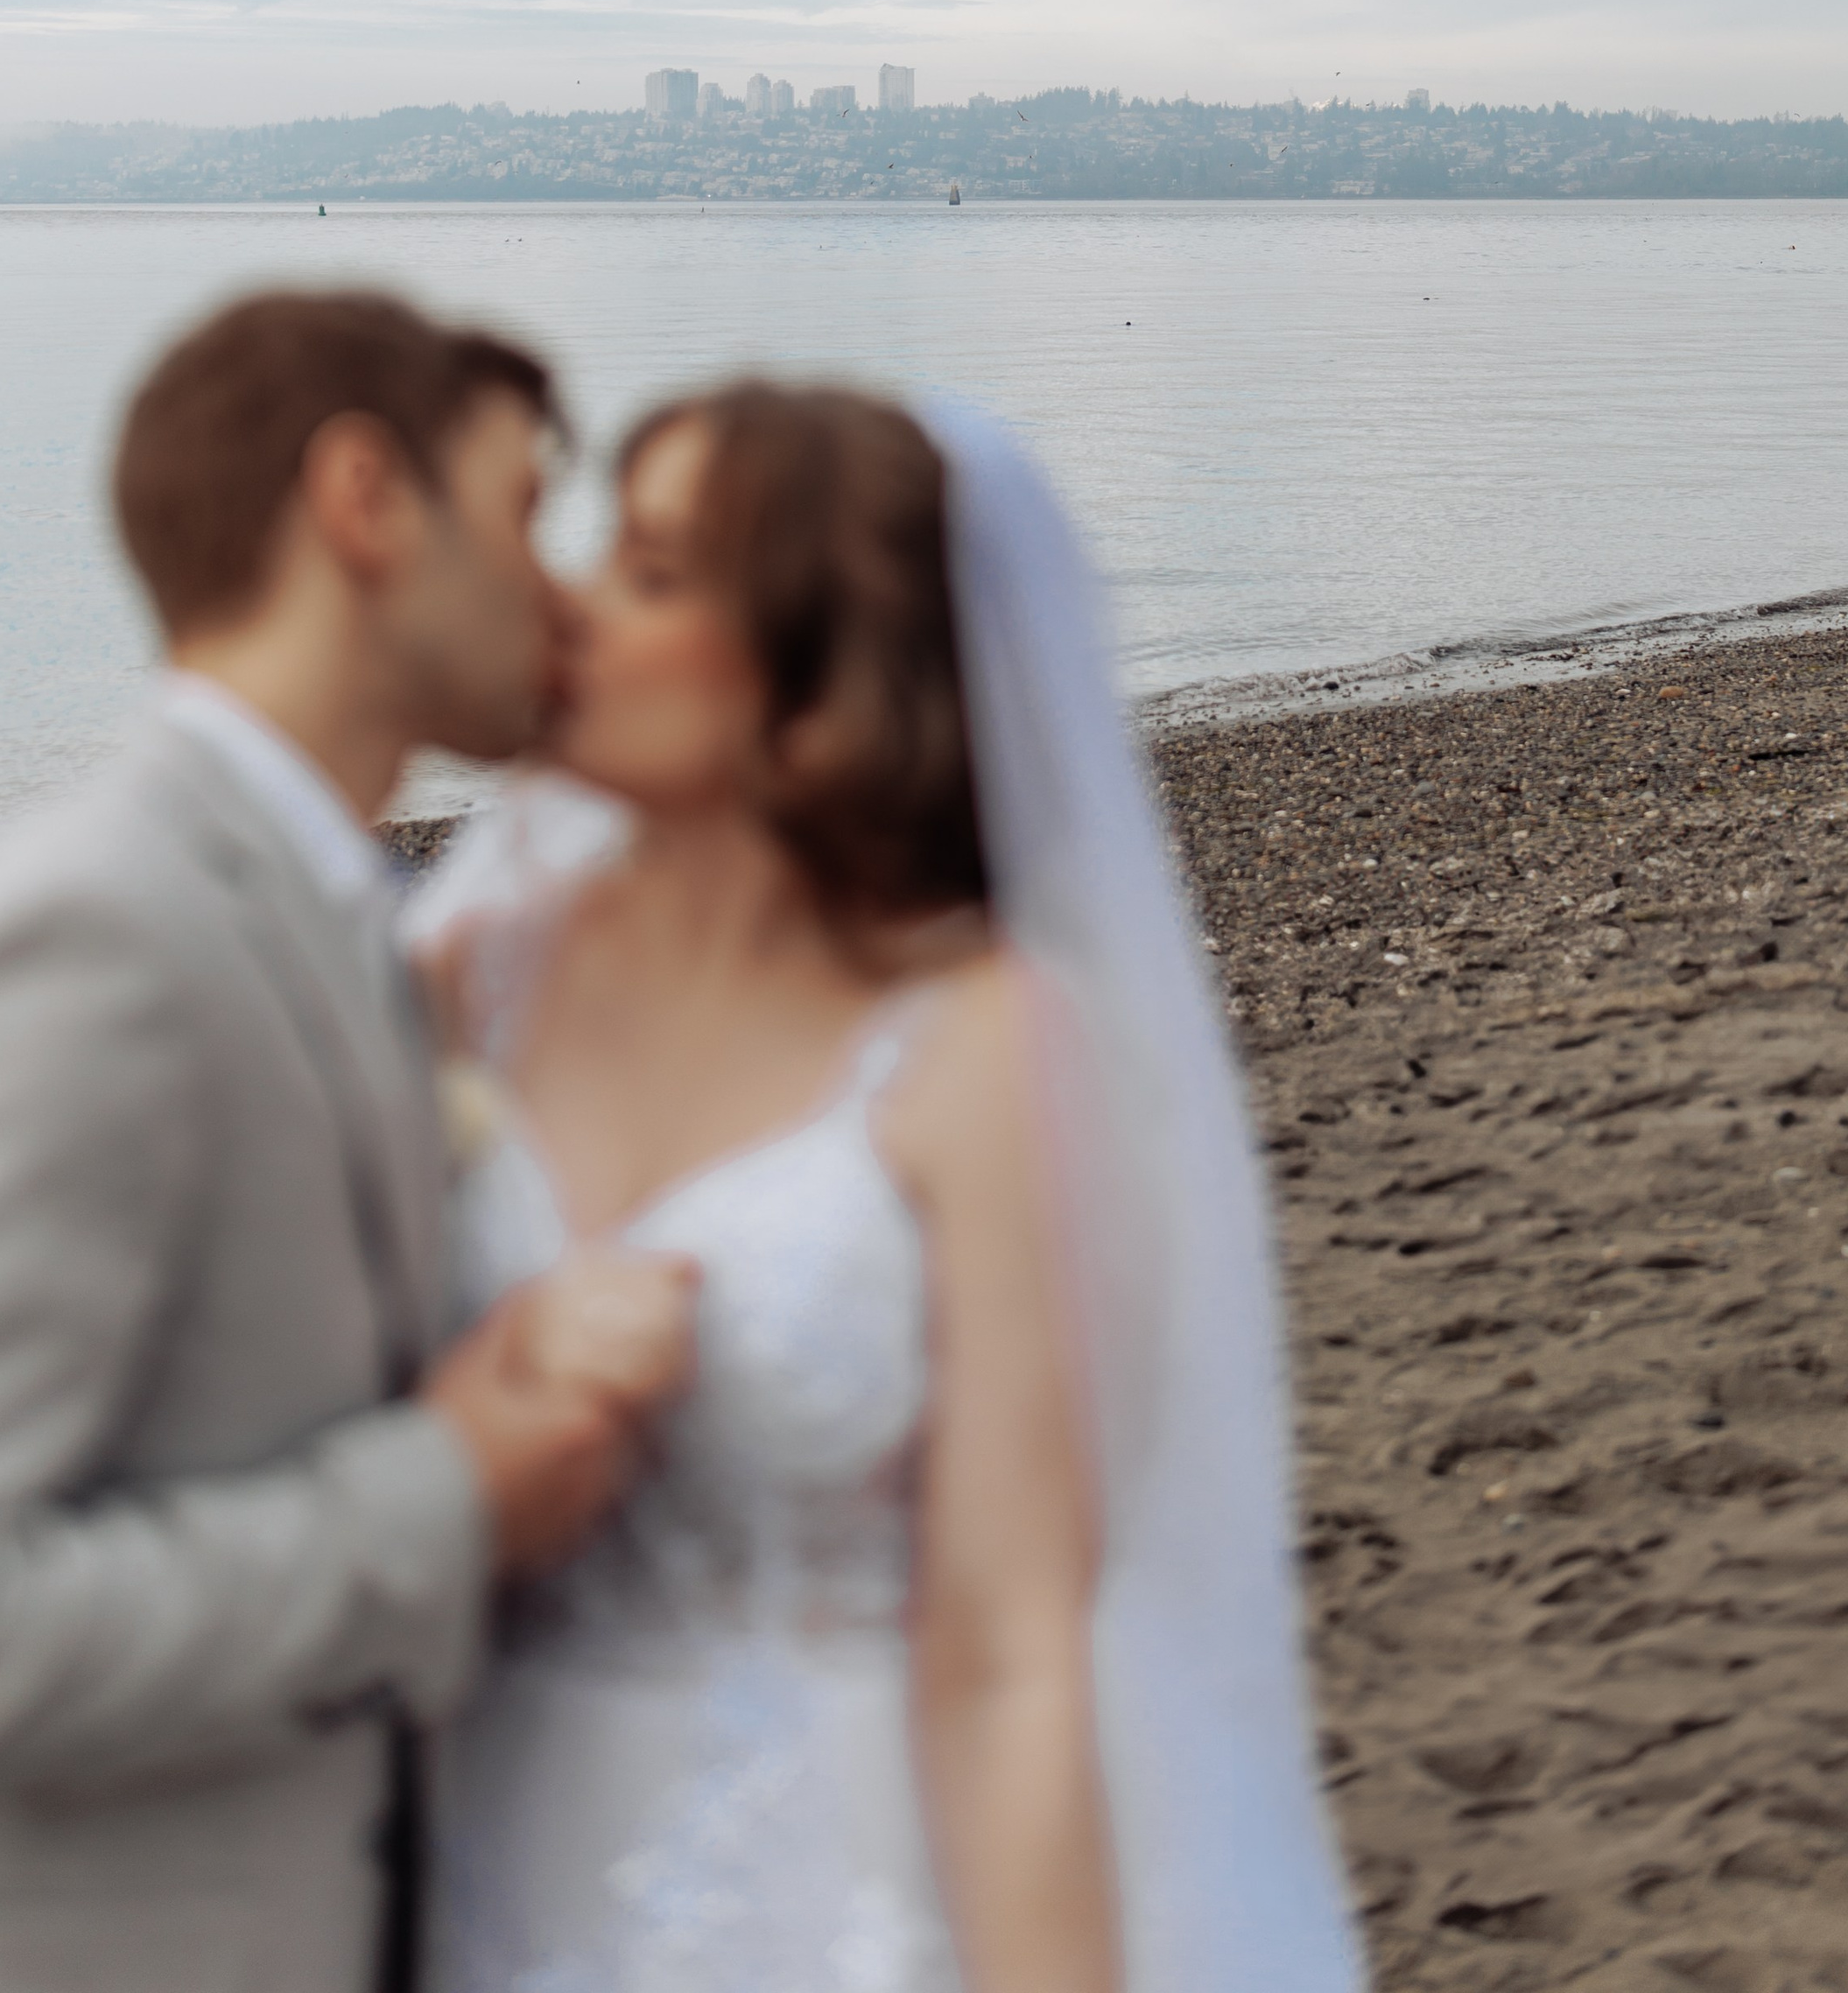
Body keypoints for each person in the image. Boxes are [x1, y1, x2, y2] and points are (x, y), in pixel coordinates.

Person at [0, 289, 697, 1993]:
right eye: (520, 511)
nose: (557, 592)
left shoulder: (338, 925)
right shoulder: (91, 936)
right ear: (365, 501)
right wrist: (449, 1499)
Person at [416, 380, 1365, 1993]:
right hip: (470, 1877)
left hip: (823, 1907)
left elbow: (1010, 1651)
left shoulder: (985, 1047)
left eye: (651, 573)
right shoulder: (468, 974)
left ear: (820, 690)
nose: (568, 607)